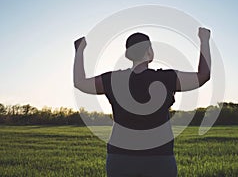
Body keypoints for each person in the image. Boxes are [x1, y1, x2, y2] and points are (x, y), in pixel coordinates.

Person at [73, 27, 211, 177]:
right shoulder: (166, 78)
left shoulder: (114, 80)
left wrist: (79, 51)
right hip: (159, 158)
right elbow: (203, 75)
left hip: (120, 158)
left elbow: (80, 82)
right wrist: (204, 40)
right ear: (149, 52)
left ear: (127, 54)